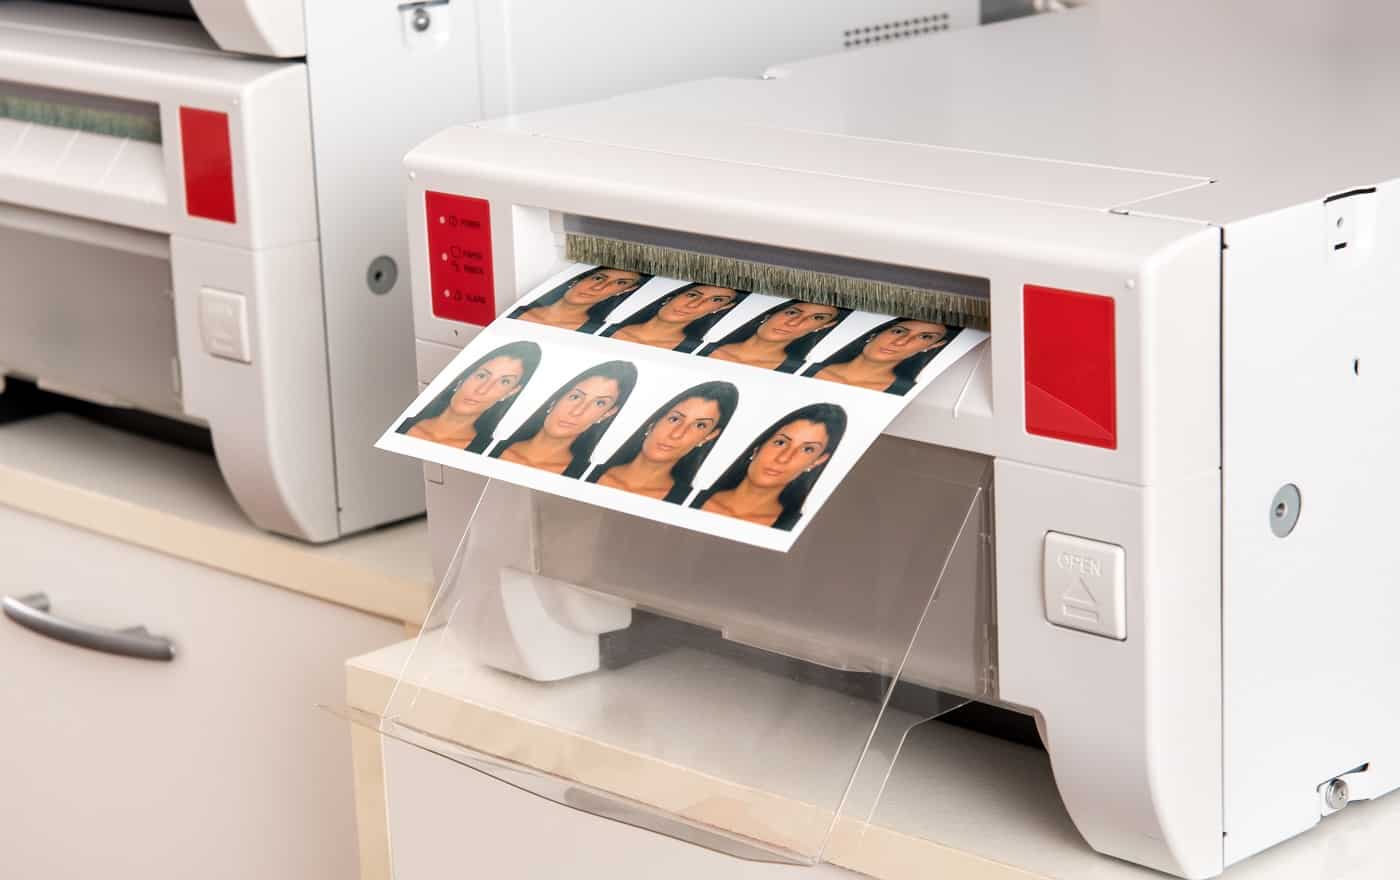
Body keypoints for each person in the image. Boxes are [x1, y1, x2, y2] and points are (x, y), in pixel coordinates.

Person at [691, 402, 847, 531]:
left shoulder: (797, 529)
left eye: (807, 449)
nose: (784, 458)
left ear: (817, 460)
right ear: (758, 447)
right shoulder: (686, 497)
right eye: (780, 442)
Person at [585, 381, 740, 503]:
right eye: (674, 419)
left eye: (699, 425)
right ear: (654, 422)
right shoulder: (583, 471)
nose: (677, 433)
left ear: (709, 436)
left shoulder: (689, 502)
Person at [490, 360, 638, 477]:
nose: (578, 411)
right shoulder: (487, 445)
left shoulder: (587, 477)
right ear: (556, 399)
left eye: (599, 403)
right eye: (575, 397)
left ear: (608, 413)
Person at [396, 341, 542, 452]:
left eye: (504, 382)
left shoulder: (487, 450)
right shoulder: (400, 425)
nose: (482, 389)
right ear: (464, 377)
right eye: (482, 375)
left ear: (511, 392)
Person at [803, 318, 960, 395]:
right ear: (873, 335)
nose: (901, 341)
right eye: (898, 331)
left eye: (925, 337)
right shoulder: (802, 368)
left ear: (931, 347)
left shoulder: (906, 390)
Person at [698, 300, 849, 372]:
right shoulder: (701, 347)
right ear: (769, 315)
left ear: (823, 327)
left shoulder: (804, 371)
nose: (795, 322)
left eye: (817, 318)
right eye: (792, 312)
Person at [601, 284, 747, 352]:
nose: (694, 304)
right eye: (692, 295)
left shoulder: (698, 350)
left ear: (721, 309)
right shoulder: (603, 328)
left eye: (716, 300)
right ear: (671, 297)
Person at [508, 266, 650, 332]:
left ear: (627, 290)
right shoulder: (517, 311)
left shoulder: (602, 331)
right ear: (577, 279)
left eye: (620, 283)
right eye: (598, 278)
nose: (599, 287)